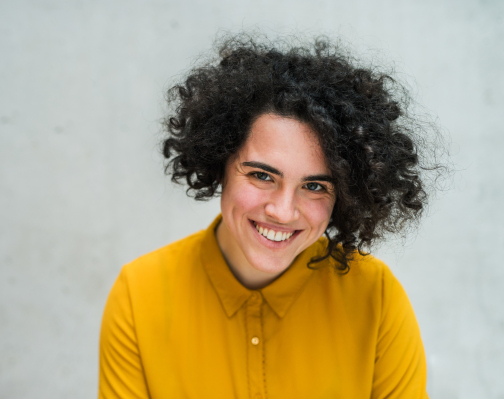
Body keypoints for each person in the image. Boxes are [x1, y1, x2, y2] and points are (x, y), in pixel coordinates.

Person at [98, 34, 443, 398]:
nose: (282, 210)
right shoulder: (140, 294)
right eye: (262, 176)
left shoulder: (377, 297)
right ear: (220, 163)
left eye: (314, 186)